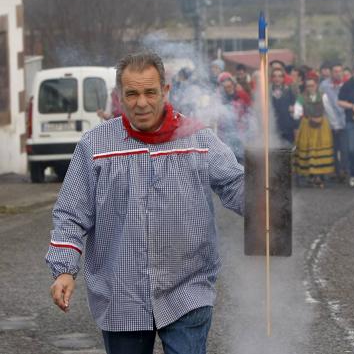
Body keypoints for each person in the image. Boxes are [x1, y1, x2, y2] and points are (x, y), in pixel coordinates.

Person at [46, 52, 244, 354]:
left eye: (150, 92)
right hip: (120, 293)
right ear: (119, 96)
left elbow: (234, 185)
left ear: (165, 91)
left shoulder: (198, 139)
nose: (141, 102)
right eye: (132, 93)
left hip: (187, 288)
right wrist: (63, 269)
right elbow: (71, 213)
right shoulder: (95, 146)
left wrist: (269, 196)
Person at [293, 73, 335, 187]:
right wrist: (296, 112)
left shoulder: (323, 96)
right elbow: (297, 113)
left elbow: (329, 110)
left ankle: (319, 175)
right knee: (309, 149)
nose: (310, 88)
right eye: (308, 86)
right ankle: (311, 175)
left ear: (316, 85)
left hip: (322, 125)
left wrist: (334, 124)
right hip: (307, 125)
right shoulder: (301, 97)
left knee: (319, 148)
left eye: (312, 85)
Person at [320, 63, 348, 181]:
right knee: (333, 147)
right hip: (329, 121)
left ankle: (343, 170)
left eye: (339, 71)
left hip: (345, 121)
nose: (337, 73)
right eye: (335, 71)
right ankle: (335, 171)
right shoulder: (324, 85)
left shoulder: (347, 84)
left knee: (344, 147)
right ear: (331, 73)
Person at [270, 67, 298, 145]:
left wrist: (296, 128)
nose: (277, 79)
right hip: (272, 130)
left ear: (283, 78)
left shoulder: (289, 91)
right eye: (274, 76)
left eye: (279, 76)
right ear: (271, 78)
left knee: (288, 155)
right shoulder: (267, 92)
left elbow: (295, 111)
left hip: (287, 130)